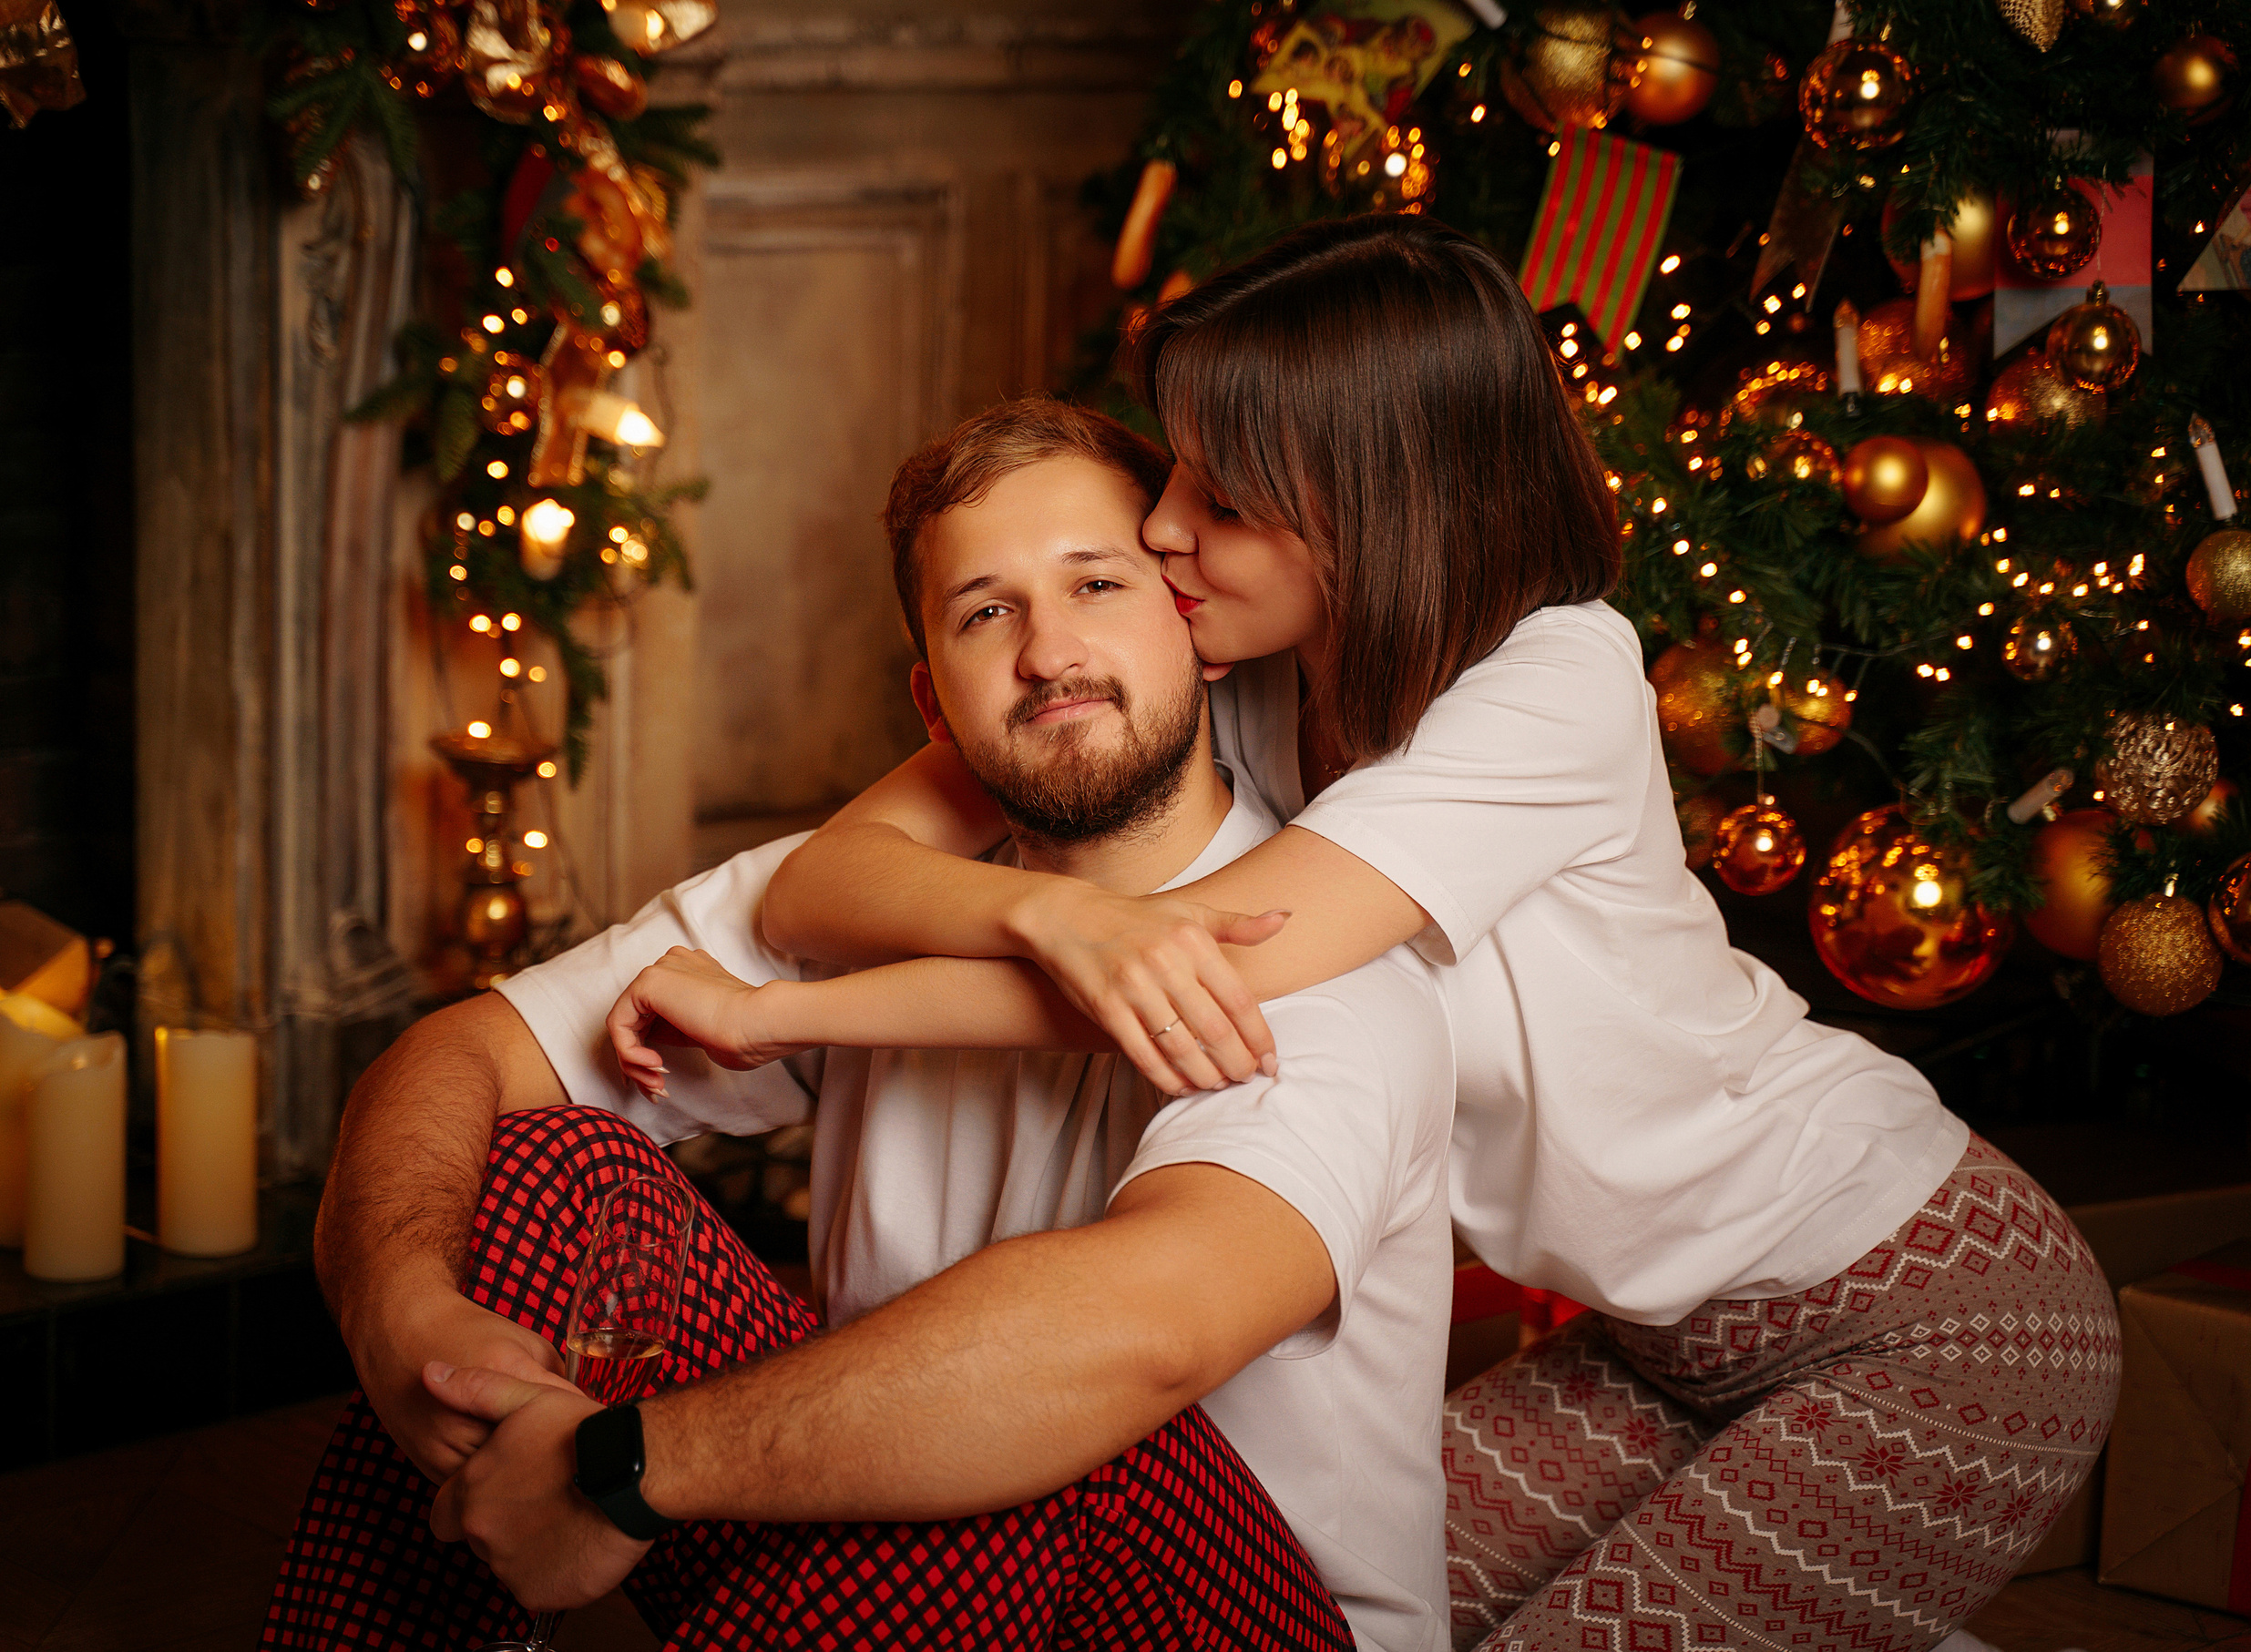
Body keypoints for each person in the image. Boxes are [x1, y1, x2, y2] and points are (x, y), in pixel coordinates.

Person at [628, 216, 2122, 1651]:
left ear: (1360, 502)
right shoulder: (1255, 676)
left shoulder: (1558, 678)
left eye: (1216, 496)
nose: (1160, 528)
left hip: (1932, 1318)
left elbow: (1177, 971)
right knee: (1322, 1596)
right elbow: (836, 871)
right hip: (1649, 1338)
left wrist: (781, 1018)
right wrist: (1024, 903)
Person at [264, 398, 1458, 1652]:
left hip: (1239, 1613)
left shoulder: (1325, 956)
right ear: (933, 703)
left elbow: (1141, 1338)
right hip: (900, 1592)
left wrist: (617, 1468)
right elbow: (454, 1053)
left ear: (1196, 627)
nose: (1049, 653)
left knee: (1046, 1423)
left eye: (1096, 584)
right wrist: (398, 1308)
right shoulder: (871, 893)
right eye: (986, 612)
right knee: (561, 1168)